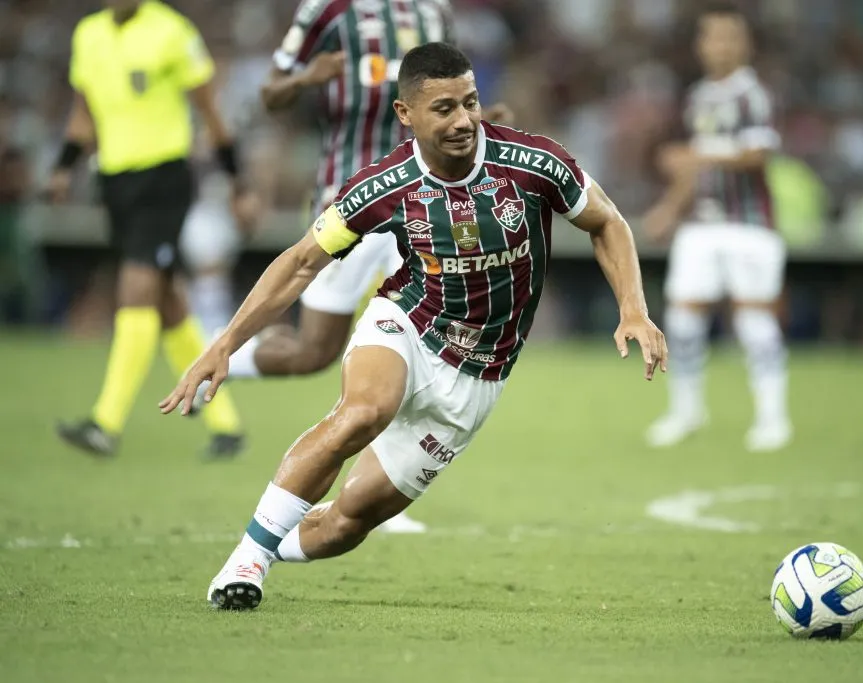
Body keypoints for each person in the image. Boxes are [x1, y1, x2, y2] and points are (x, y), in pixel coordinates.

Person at [160, 42, 667, 610]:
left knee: (348, 522)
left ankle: (268, 545)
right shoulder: (383, 186)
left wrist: (633, 308)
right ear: (406, 114)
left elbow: (608, 222)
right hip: (408, 324)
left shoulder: (534, 163)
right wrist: (225, 344)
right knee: (363, 412)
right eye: (443, 108)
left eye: (470, 102)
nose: (463, 120)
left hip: (477, 377)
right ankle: (246, 561)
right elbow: (302, 261)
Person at [225, 0, 509, 532]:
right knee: (314, 352)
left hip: (427, 202)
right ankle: (227, 357)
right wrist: (309, 77)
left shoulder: (434, 12)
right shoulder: (327, 11)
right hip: (351, 201)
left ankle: (373, 489)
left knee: (418, 340)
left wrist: (477, 120)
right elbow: (270, 94)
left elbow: (446, 92)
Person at [50, 0, 255, 458]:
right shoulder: (88, 34)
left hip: (164, 177)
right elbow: (84, 113)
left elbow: (210, 111)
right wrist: (64, 166)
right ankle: (226, 425)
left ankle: (105, 423)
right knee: (167, 301)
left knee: (136, 287)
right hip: (114, 181)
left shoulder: (172, 32)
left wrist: (237, 181)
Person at [643, 1, 791, 453]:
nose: (720, 46)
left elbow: (758, 154)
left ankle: (772, 418)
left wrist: (698, 154)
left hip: (748, 224)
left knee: (754, 321)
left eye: (730, 37)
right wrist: (669, 209)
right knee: (683, 319)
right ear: (701, 44)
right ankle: (686, 411)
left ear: (745, 45)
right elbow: (696, 170)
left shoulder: (753, 94)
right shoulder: (699, 96)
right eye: (713, 37)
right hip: (701, 225)